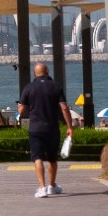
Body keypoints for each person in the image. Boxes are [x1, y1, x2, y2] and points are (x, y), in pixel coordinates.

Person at [16, 62, 71, 198]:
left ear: (34, 73)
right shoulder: (55, 87)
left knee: (38, 158)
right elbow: (64, 108)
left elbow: (21, 110)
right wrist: (70, 126)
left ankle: (42, 188)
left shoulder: (29, 88)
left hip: (35, 128)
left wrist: (22, 107)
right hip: (52, 128)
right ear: (47, 72)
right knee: (52, 159)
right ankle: (52, 186)